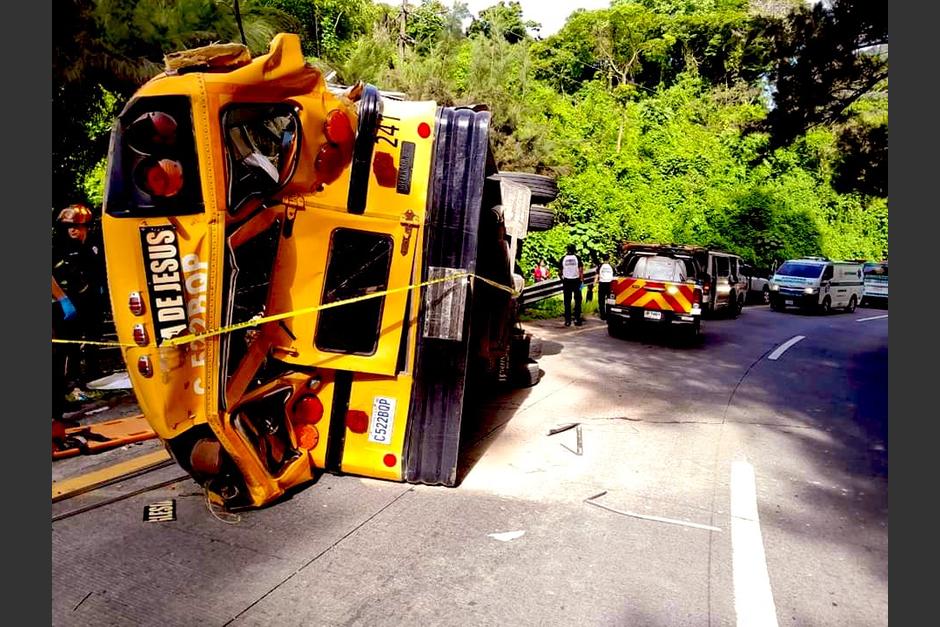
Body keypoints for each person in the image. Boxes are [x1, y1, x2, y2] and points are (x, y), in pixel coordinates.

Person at [52, 204, 106, 388]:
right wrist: (63, 300)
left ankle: (93, 377)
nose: (72, 230)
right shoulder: (59, 247)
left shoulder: (95, 244)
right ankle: (72, 381)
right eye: (68, 227)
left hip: (92, 301)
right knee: (70, 344)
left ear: (86, 226)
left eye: (76, 226)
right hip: (69, 302)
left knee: (93, 338)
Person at [559, 244, 584, 327]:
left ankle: (567, 321)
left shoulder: (563, 258)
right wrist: (581, 280)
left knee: (567, 301)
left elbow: (560, 272)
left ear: (567, 250)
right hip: (576, 281)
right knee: (578, 300)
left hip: (566, 281)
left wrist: (563, 279)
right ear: (575, 250)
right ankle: (577, 319)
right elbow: (581, 270)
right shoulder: (577, 258)